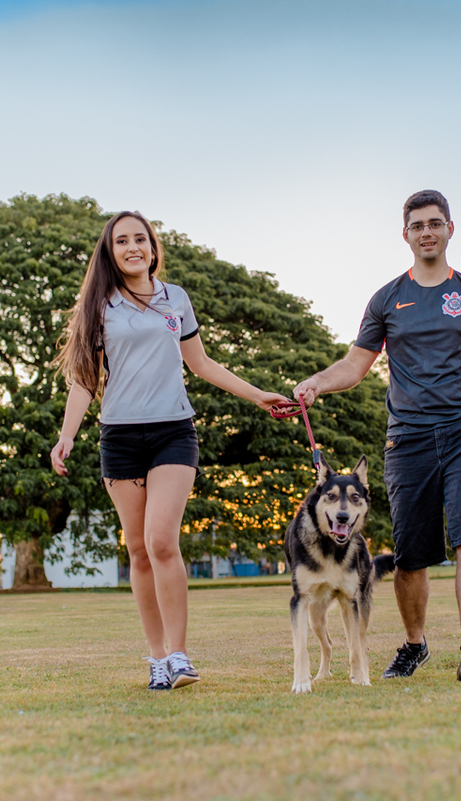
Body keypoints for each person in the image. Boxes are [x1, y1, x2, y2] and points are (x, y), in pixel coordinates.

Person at [293, 190, 461, 684]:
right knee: (411, 553)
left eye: (435, 223)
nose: (427, 232)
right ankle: (414, 645)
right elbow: (356, 364)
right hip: (407, 440)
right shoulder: (386, 299)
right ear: (405, 234)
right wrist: (318, 381)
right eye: (417, 225)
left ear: (451, 228)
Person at [51, 211, 287, 691]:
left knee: (161, 541)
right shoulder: (99, 305)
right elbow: (84, 379)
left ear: (153, 247)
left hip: (173, 432)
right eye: (122, 241)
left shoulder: (174, 298)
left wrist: (257, 394)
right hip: (118, 436)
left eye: (141, 238)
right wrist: (67, 435)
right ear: (110, 251)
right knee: (137, 550)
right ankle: (156, 656)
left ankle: (179, 655)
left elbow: (199, 363)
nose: (133, 247)